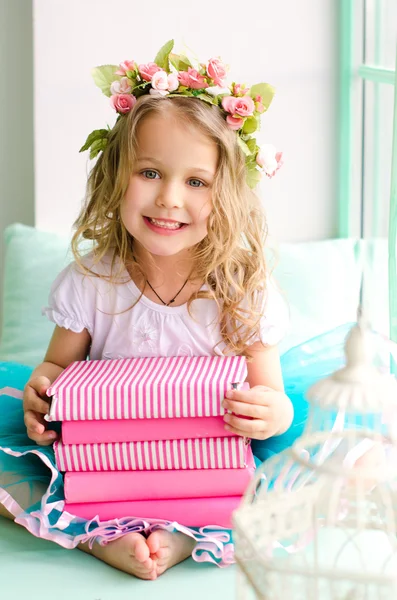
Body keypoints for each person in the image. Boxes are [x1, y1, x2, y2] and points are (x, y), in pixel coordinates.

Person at [0, 41, 292, 580]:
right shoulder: (91, 281)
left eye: (196, 182)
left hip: (206, 464)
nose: (169, 199)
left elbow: (270, 393)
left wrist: (273, 414)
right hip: (108, 460)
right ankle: (101, 537)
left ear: (227, 194)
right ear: (115, 176)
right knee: (15, 474)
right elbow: (55, 372)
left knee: (297, 482)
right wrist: (43, 399)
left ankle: (181, 536)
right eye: (150, 173)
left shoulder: (241, 286)